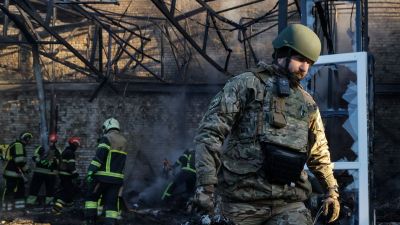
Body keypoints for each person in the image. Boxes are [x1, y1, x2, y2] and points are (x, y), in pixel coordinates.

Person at [193, 24, 340, 225]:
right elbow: (210, 134)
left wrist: (332, 191)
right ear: (282, 53)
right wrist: (205, 186)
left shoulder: (307, 104)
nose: (305, 68)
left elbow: (319, 152)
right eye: (300, 59)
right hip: (241, 203)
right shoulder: (245, 85)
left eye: (309, 63)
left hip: (289, 203)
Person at [84, 118, 127, 225]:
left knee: (91, 197)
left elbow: (99, 157)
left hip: (102, 177)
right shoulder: (124, 141)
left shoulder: (106, 138)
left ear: (107, 126)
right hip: (117, 179)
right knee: (111, 203)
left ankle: (90, 220)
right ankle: (110, 222)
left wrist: (90, 171)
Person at [1, 131, 32, 211]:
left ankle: (19, 209)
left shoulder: (19, 145)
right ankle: (6, 209)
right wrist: (27, 169)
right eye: (29, 139)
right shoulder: (18, 145)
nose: (30, 141)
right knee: (10, 191)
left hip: (16, 173)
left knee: (20, 191)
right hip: (12, 173)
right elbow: (19, 160)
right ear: (26, 139)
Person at [26, 133, 59, 207]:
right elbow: (34, 157)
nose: (52, 143)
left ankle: (49, 203)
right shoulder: (41, 148)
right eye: (51, 141)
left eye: (53, 141)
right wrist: (40, 161)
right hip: (40, 172)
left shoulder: (57, 151)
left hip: (50, 173)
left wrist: (53, 160)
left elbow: (59, 161)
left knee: (49, 190)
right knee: (34, 188)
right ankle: (30, 203)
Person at [52, 136, 81, 215]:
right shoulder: (70, 152)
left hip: (64, 175)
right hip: (67, 176)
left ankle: (70, 209)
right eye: (76, 145)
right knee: (66, 193)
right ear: (74, 144)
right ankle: (56, 210)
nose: (77, 147)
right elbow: (71, 165)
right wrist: (76, 175)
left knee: (69, 192)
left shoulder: (66, 151)